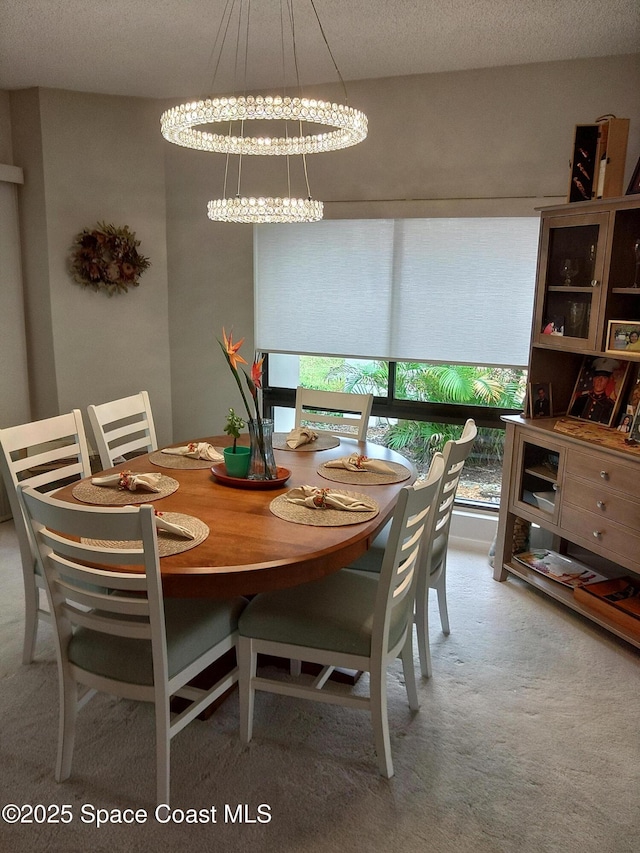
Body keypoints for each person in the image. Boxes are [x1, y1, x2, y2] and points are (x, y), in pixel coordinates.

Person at [569, 357, 619, 424]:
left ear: (608, 381)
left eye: (604, 378)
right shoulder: (581, 399)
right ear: (593, 380)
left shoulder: (610, 405)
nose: (599, 381)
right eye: (597, 377)